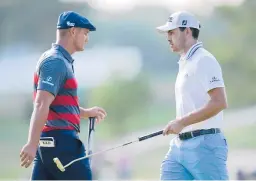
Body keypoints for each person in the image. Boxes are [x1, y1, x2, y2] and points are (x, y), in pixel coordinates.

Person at [19, 11, 107, 180]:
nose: (87, 38)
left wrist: (86, 112)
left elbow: (57, 105)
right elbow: (41, 104)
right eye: (85, 33)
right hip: (61, 144)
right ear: (73, 31)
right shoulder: (56, 62)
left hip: (49, 144)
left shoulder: (59, 60)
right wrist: (31, 143)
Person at [156, 11, 229, 180]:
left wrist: (182, 122)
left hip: (205, 146)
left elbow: (219, 102)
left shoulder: (204, 60)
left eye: (172, 32)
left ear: (187, 31)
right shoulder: (185, 62)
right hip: (179, 147)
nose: (168, 37)